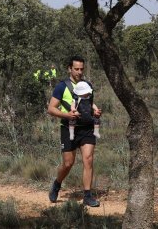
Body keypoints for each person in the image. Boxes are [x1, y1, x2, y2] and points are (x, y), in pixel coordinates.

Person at [47, 56, 102, 207]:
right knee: (68, 164)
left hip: (86, 128)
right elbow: (51, 109)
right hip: (68, 128)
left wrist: (95, 111)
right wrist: (67, 114)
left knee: (88, 159)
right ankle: (57, 184)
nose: (79, 72)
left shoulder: (87, 85)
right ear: (69, 69)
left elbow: (88, 102)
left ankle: (87, 196)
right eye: (76, 69)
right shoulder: (61, 87)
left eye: (81, 69)